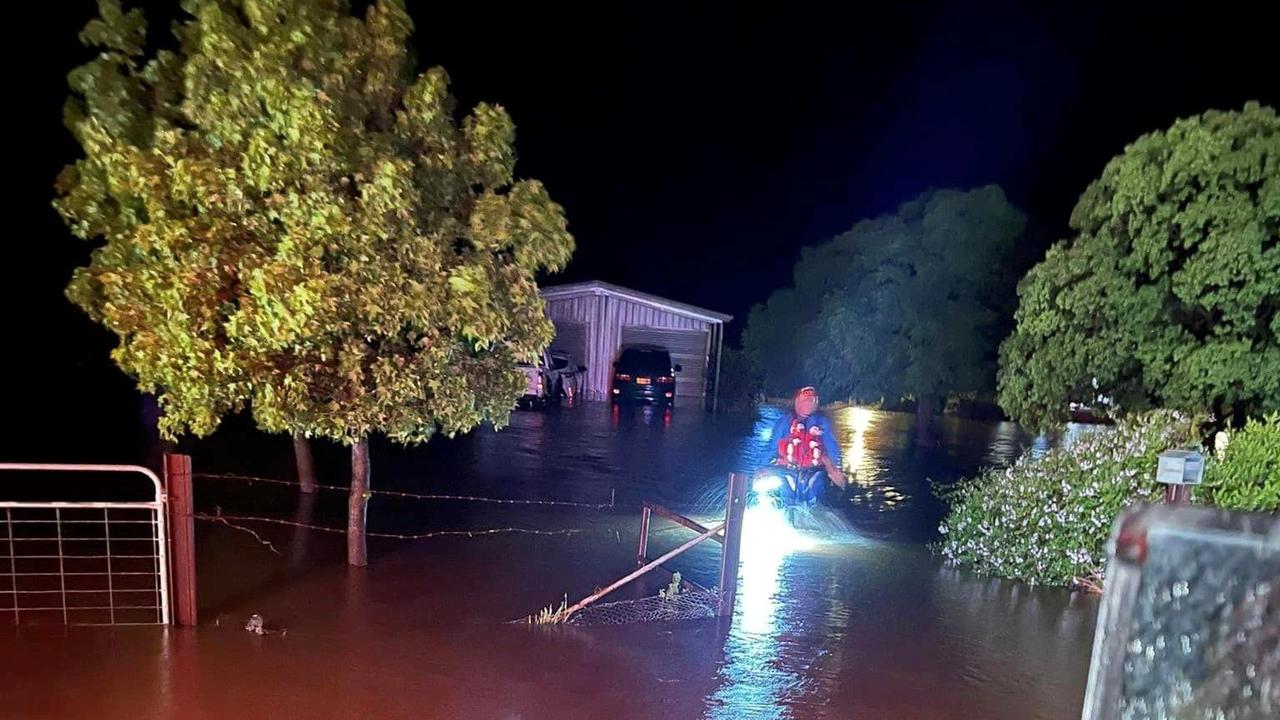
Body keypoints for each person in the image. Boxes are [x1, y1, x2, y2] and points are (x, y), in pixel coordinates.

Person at [756, 386, 847, 506]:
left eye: (812, 400)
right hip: (787, 469)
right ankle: (786, 510)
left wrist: (835, 469)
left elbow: (831, 447)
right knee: (784, 491)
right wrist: (761, 468)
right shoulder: (784, 423)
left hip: (814, 470)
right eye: (805, 400)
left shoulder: (822, 423)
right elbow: (771, 447)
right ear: (797, 402)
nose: (808, 404)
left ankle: (811, 512)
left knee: (814, 489)